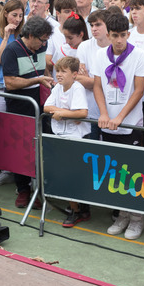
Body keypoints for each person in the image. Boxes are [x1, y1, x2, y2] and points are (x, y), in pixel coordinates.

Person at [94, 11, 144, 240]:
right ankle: (122, 215)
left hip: (131, 124)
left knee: (133, 173)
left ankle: (137, 218)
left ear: (128, 34)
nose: (119, 40)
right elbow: (98, 86)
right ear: (108, 35)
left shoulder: (139, 55)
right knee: (115, 173)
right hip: (108, 123)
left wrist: (121, 117)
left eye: (123, 35)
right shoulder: (100, 55)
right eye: (115, 35)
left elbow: (139, 90)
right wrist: (104, 113)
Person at [1, 16, 54, 208]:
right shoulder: (11, 50)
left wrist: (48, 79)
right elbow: (10, 82)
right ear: (30, 35)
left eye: (46, 40)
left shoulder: (41, 47)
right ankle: (23, 189)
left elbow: (43, 70)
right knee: (21, 149)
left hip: (40, 104)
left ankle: (40, 188)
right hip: (20, 105)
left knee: (41, 147)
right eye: (41, 40)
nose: (43, 44)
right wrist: (37, 80)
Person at [44, 56, 91, 227]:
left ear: (74, 74)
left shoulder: (77, 88)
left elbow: (82, 113)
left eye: (64, 71)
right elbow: (47, 107)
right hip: (60, 136)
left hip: (75, 137)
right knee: (66, 174)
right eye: (58, 71)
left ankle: (77, 210)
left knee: (72, 175)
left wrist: (63, 113)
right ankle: (78, 207)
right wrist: (65, 112)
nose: (59, 74)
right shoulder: (57, 88)